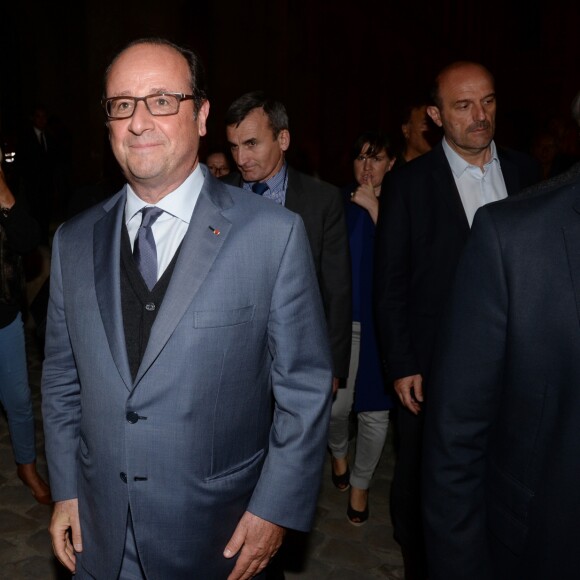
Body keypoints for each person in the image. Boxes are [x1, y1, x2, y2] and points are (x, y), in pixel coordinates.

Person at [41, 37, 333, 580]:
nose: (139, 121)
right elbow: (61, 381)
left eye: (161, 100)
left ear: (200, 116)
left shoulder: (272, 235)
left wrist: (274, 509)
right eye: (122, 104)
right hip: (101, 536)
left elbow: (305, 387)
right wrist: (65, 490)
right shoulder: (73, 242)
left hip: (219, 538)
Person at [374, 60, 540, 580]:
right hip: (433, 366)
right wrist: (402, 363)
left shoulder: (528, 173)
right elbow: (390, 284)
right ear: (435, 115)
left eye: (487, 101)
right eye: (463, 105)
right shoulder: (409, 184)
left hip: (517, 365)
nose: (479, 115)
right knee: (427, 484)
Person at [422, 152, 580, 578]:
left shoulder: (521, 167)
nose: (478, 114)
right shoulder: (512, 231)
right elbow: (456, 439)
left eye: (487, 101)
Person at [222, 91, 351, 394]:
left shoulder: (323, 201)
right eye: (234, 147)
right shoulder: (216, 196)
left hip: (300, 353)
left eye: (251, 144)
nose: (241, 159)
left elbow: (336, 289)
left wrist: (333, 364)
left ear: (283, 140)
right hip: (230, 356)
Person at [327, 131, 395, 526]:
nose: (367, 167)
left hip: (384, 325)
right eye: (361, 158)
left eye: (377, 157)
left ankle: (361, 484)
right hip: (344, 323)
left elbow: (413, 260)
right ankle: (338, 453)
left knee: (376, 414)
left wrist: (376, 210)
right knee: (336, 406)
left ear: (392, 163)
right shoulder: (335, 200)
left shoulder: (402, 203)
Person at [0, 159, 52, 505]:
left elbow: (29, 239)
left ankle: (26, 465)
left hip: (3, 315)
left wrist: (4, 194)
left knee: (19, 400)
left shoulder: (10, 190)